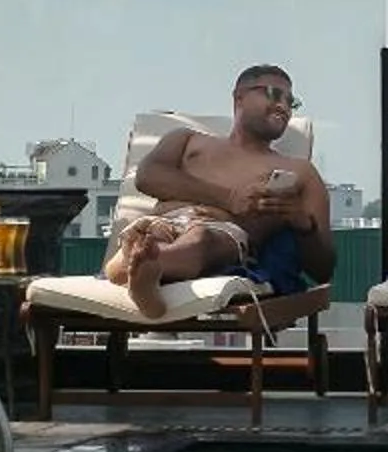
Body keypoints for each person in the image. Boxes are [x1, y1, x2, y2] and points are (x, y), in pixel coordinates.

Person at [110, 64, 337, 316]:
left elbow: (323, 269)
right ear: (239, 97)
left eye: (290, 102)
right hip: (160, 222)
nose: (283, 106)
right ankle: (144, 266)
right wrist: (228, 197)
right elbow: (147, 177)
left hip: (220, 235)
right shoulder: (186, 139)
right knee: (149, 236)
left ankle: (142, 265)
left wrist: (304, 225)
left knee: (201, 240)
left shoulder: (301, 172)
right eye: (273, 94)